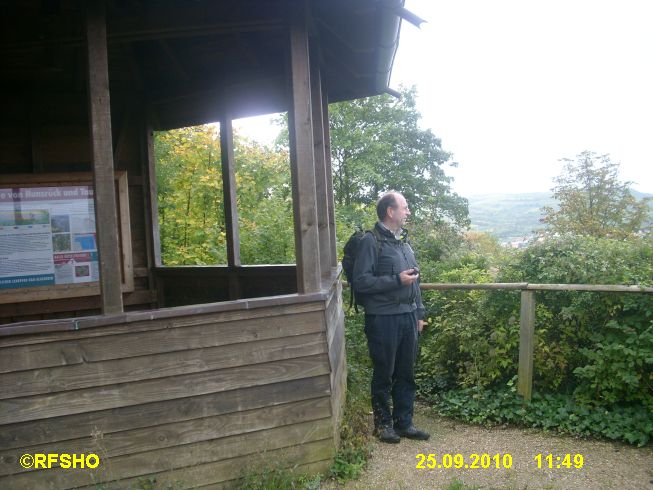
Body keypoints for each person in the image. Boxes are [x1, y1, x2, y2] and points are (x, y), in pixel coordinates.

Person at [352, 192, 430, 443]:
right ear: (390, 211)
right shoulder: (370, 242)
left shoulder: (403, 244)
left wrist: (419, 313)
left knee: (406, 372)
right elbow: (361, 282)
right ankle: (383, 425)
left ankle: (404, 423)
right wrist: (396, 280)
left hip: (407, 317)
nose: (408, 212)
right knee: (384, 372)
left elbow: (415, 284)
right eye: (405, 208)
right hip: (382, 318)